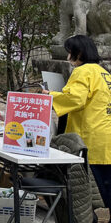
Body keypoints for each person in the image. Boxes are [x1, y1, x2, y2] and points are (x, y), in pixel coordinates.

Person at [49, 35, 111, 210]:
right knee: (107, 186)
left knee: (92, 190)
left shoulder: (83, 71)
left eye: (70, 52)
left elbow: (76, 99)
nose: (68, 57)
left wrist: (49, 96)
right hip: (105, 137)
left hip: (90, 137)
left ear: (80, 52)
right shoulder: (103, 71)